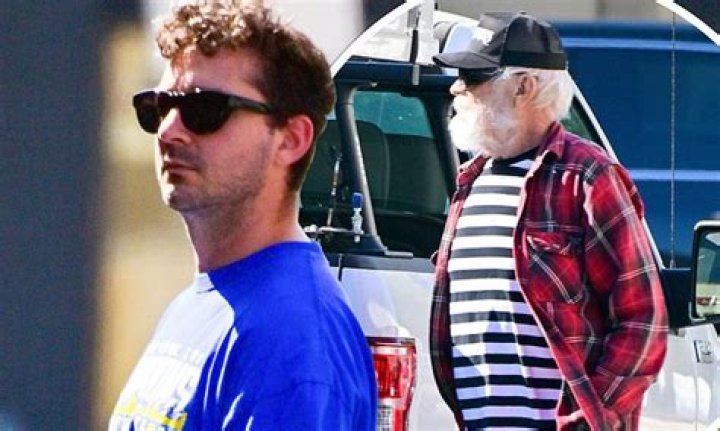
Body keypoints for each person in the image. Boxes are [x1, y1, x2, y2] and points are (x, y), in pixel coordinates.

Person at [109, 3, 377, 430]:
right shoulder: (201, 302)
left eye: (204, 109)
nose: (169, 131)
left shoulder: (292, 339)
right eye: (159, 107)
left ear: (291, 139)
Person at [429, 12, 668, 431]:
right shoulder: (471, 180)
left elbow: (643, 318)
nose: (456, 87)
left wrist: (590, 418)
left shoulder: (586, 175)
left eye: (473, 76)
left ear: (523, 86)